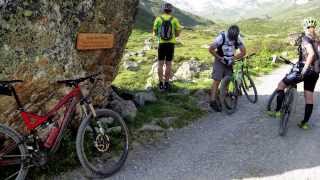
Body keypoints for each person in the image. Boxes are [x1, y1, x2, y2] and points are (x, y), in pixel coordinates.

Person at [269, 17, 319, 130]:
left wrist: (304, 69)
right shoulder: (317, 39)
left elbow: (310, 54)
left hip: (307, 69)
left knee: (281, 86)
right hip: (315, 72)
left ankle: (277, 111)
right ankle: (304, 123)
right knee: (309, 97)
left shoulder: (306, 38)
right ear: (314, 28)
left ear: (305, 27)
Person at [208, 25, 246, 112]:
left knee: (228, 81)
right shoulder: (221, 38)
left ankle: (223, 100)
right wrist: (219, 58)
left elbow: (243, 52)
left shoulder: (238, 39)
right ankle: (212, 101)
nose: (232, 40)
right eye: (231, 38)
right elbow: (211, 49)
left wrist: (234, 58)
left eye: (234, 38)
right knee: (217, 80)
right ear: (228, 33)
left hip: (229, 61)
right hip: (220, 60)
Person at [153, 3, 182, 91]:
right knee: (168, 64)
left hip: (161, 44)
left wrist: (159, 36)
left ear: (163, 10)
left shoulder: (158, 19)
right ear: (171, 10)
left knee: (160, 64)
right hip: (170, 44)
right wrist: (173, 36)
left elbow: (154, 32)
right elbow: (178, 33)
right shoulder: (174, 20)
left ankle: (160, 83)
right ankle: (166, 83)